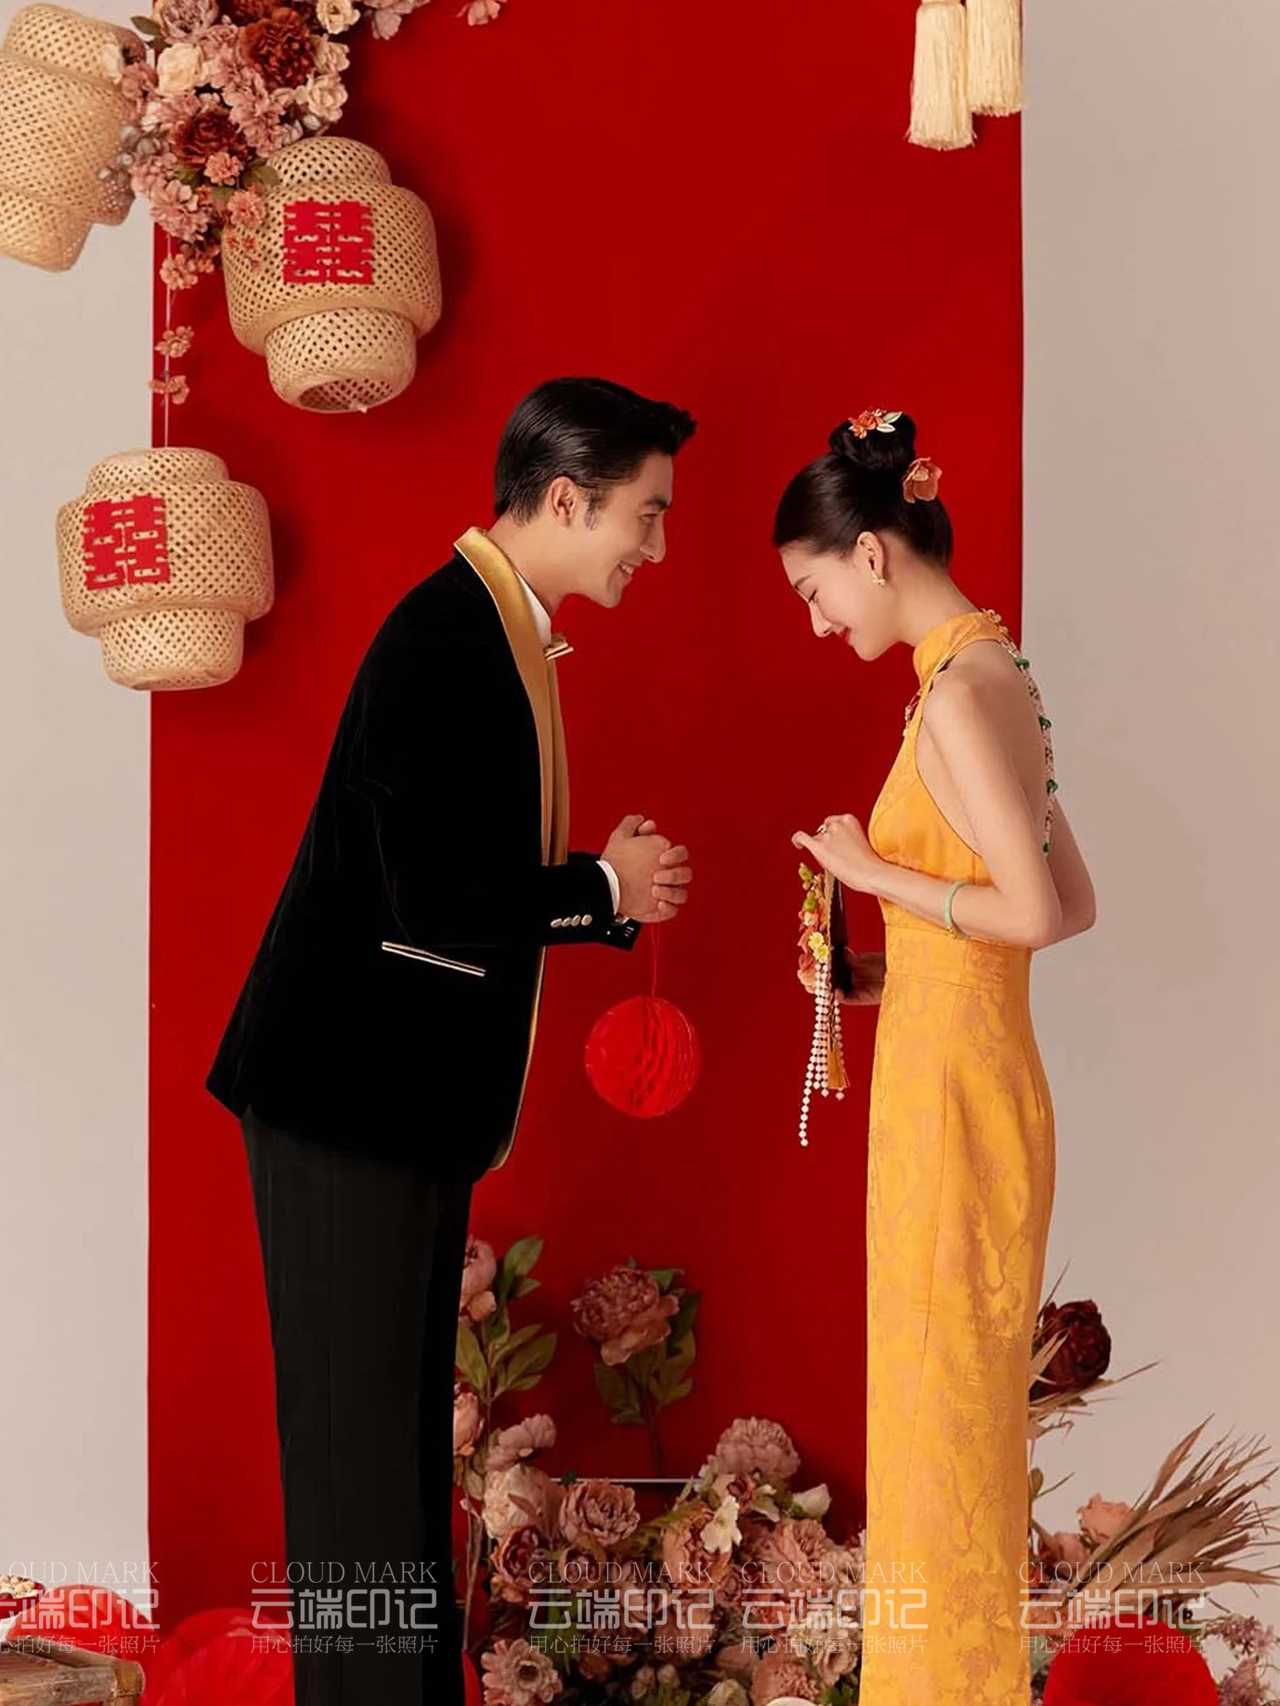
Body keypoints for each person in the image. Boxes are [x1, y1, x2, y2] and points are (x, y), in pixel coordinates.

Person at [206, 375, 697, 1706]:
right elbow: (433, 897)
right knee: (362, 1471)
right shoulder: (446, 635)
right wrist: (600, 889)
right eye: (646, 515)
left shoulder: (495, 627)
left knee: (396, 1459)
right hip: (344, 1096)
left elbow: (452, 882)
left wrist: (598, 893)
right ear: (566, 500)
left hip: (393, 1105)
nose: (654, 547)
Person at [779, 409, 1096, 1706]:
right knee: (945, 1421)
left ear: (870, 552)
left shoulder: (960, 696)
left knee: (939, 1435)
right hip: (964, 1074)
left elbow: (1037, 914)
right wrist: (885, 964)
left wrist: (871, 873)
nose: (818, 623)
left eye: (814, 591)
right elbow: (1065, 904)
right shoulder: (996, 676)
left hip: (958, 1104)